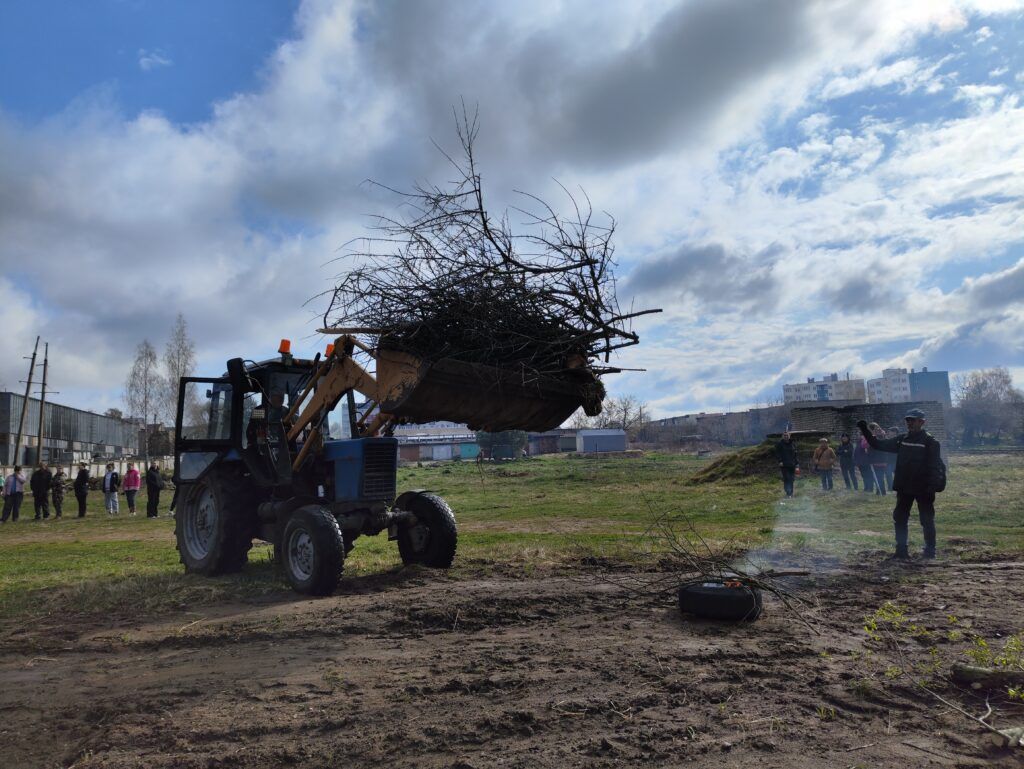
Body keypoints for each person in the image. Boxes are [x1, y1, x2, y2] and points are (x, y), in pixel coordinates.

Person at [857, 408, 944, 560]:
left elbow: (936, 466)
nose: (910, 423)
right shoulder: (902, 439)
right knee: (900, 518)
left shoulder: (930, 442)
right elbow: (878, 445)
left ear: (922, 422)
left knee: (926, 520)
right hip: (904, 487)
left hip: (923, 488)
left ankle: (930, 552)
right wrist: (865, 429)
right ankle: (901, 551)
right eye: (908, 420)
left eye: (913, 420)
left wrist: (933, 485)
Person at [775, 431, 800, 498]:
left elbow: (795, 454)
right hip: (784, 465)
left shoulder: (792, 443)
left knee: (791, 479)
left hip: (792, 464)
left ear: (789, 436)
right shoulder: (779, 444)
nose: (786, 436)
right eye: (785, 435)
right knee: (787, 478)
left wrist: (797, 463)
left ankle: (791, 493)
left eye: (787, 435)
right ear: (783, 436)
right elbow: (777, 453)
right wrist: (780, 461)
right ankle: (788, 493)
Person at [868, 423, 890, 496]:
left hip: (880, 460)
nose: (877, 430)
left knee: (879, 477)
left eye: (878, 429)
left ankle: (882, 492)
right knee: (878, 477)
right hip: (876, 460)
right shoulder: (875, 437)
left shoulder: (882, 437)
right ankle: (879, 491)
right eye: (875, 429)